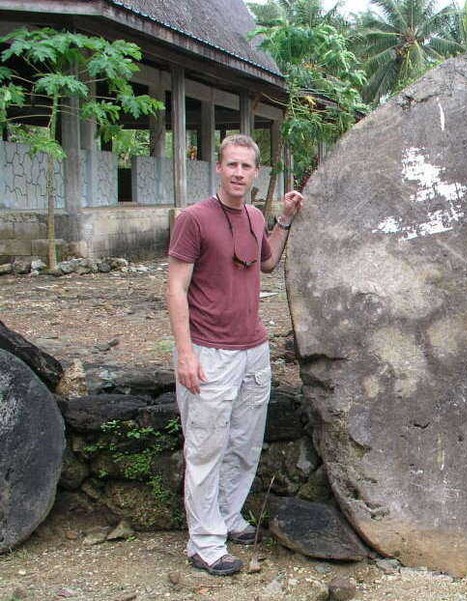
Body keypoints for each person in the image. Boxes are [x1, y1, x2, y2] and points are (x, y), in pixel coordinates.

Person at [166, 133, 304, 576]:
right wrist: (185, 354)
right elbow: (175, 288)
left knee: (244, 443)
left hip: (253, 350)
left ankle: (228, 517)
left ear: (256, 173)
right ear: (218, 168)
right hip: (210, 351)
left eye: (246, 167)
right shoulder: (194, 219)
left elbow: (264, 263)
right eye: (232, 165)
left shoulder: (253, 217)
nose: (239, 173)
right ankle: (204, 543)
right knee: (205, 449)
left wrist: (282, 221)